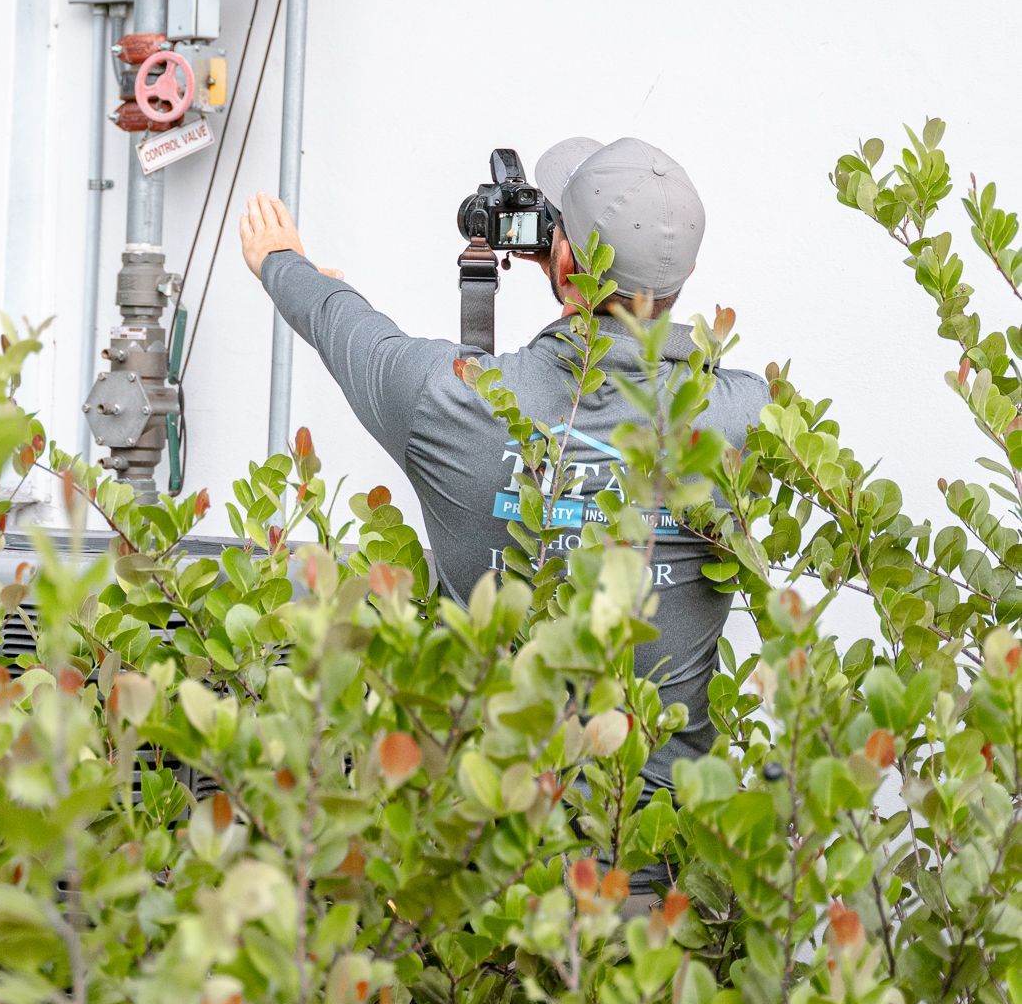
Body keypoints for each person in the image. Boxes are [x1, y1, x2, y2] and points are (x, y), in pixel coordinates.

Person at [239, 135, 767, 797]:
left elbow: (338, 320)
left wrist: (280, 259)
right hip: (664, 833)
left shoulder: (446, 398)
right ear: (682, 276)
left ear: (564, 258)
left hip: (487, 830)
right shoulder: (746, 417)